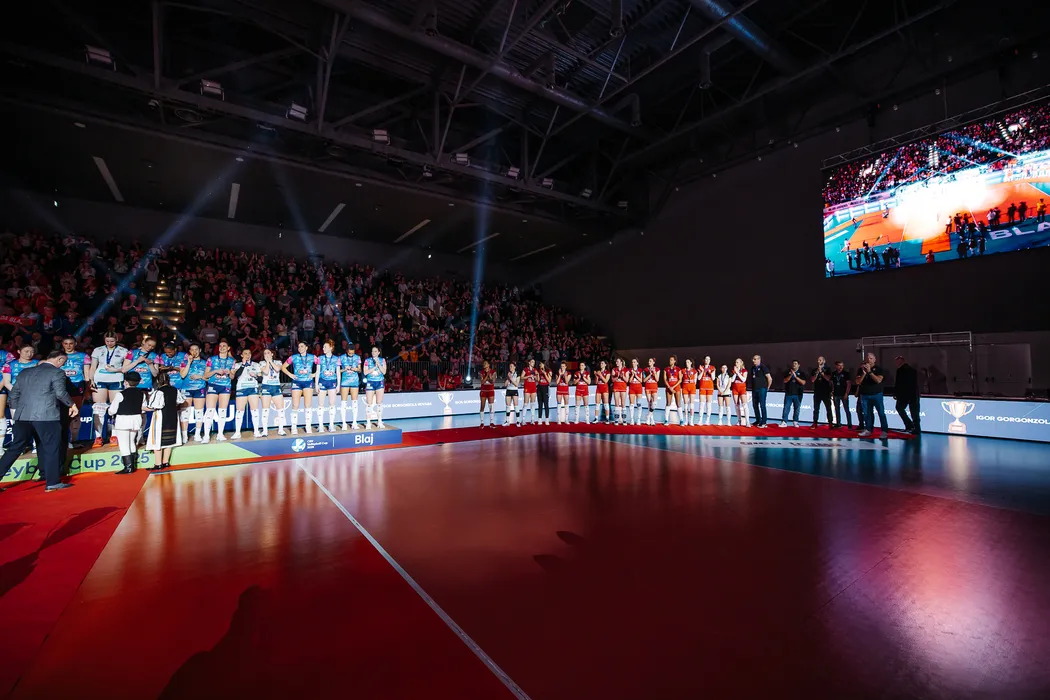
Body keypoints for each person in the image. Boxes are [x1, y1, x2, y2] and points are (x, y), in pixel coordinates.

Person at [0, 350, 78, 491]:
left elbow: (14, 395)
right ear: (59, 360)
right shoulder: (57, 373)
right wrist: (72, 404)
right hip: (46, 416)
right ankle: (52, 482)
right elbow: (60, 393)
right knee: (51, 447)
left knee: (15, 448)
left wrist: (17, 413)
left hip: (22, 416)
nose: (63, 365)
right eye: (64, 362)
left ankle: (44, 475)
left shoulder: (25, 372)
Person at [89, 331, 128, 448]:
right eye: (107, 341)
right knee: (99, 408)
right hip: (100, 379)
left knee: (115, 408)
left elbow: (126, 367)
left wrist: (115, 370)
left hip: (116, 380)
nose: (110, 343)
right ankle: (98, 437)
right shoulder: (98, 350)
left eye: (112, 341)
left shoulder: (123, 351)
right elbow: (93, 367)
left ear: (117, 340)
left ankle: (114, 435)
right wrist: (91, 380)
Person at [145, 367, 185, 471]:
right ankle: (165, 462)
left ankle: (158, 464)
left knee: (157, 440)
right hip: (172, 417)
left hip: (161, 417)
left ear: (158, 381)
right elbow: (180, 401)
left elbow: (153, 405)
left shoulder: (158, 392)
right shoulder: (175, 390)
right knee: (169, 440)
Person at [107, 372, 147, 474]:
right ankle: (133, 465)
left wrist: (108, 411)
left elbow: (112, 411)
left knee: (124, 444)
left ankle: (128, 467)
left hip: (123, 420)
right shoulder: (142, 394)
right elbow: (143, 408)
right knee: (131, 441)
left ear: (125, 382)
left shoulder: (120, 394)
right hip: (136, 419)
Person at [59, 337, 91, 447]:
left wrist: (87, 388)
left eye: (71, 343)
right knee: (62, 414)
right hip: (61, 385)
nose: (68, 346)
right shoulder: (57, 355)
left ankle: (74, 440)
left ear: (75, 344)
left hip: (77, 384)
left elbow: (87, 374)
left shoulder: (83, 356)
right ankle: (63, 440)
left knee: (75, 412)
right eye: (66, 343)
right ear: (62, 344)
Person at [203, 340, 236, 442]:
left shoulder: (232, 361)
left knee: (222, 410)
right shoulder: (211, 359)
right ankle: (206, 436)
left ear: (228, 348)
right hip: (213, 385)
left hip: (225, 386)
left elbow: (232, 377)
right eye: (220, 346)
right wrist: (215, 371)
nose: (222, 347)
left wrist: (230, 372)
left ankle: (220, 434)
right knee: (210, 410)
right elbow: (206, 375)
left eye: (224, 346)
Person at [282, 342, 317, 435]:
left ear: (306, 347)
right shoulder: (293, 357)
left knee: (308, 405)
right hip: (297, 382)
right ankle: (294, 427)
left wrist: (315, 374)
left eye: (302, 346)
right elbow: (283, 367)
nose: (300, 348)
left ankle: (308, 426)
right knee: (295, 405)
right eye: (299, 347)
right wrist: (290, 375)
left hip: (308, 382)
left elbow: (322, 366)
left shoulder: (312, 357)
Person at [231, 348, 263, 439]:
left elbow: (260, 379)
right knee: (239, 411)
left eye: (249, 353)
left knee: (254, 410)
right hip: (241, 388)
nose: (247, 355)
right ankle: (237, 432)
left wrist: (255, 376)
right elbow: (236, 376)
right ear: (242, 355)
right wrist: (243, 365)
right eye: (245, 353)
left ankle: (256, 431)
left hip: (253, 388)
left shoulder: (256, 365)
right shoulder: (237, 365)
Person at [180, 344, 209, 442]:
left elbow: (208, 377)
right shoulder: (184, 362)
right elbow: (182, 375)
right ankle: (184, 435)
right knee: (185, 413)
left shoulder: (205, 363)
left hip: (199, 388)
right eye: (192, 350)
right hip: (186, 388)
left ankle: (197, 434)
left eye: (196, 349)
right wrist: (189, 362)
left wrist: (200, 377)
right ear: (189, 351)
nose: (194, 351)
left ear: (200, 350)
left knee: (199, 412)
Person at [856, 352, 888, 437]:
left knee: (881, 413)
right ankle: (868, 429)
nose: (869, 360)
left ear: (874, 360)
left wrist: (870, 372)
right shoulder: (861, 370)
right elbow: (858, 382)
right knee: (867, 413)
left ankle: (884, 431)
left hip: (876, 394)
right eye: (867, 359)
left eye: (871, 358)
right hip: (865, 395)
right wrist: (864, 373)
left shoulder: (879, 369)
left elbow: (878, 380)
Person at [259, 348, 286, 435]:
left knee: (280, 409)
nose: (266, 354)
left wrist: (270, 361)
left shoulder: (278, 362)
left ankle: (281, 429)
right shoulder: (261, 363)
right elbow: (266, 372)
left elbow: (277, 369)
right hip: (266, 386)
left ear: (272, 354)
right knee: (265, 410)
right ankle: (265, 430)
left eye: (268, 353)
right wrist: (267, 362)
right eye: (265, 353)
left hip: (276, 387)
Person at [315, 341, 341, 432]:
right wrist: (316, 384)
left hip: (332, 382)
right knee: (320, 404)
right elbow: (317, 372)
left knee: (332, 404)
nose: (323, 349)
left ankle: (331, 425)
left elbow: (338, 372)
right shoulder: (320, 358)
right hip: (322, 381)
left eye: (325, 347)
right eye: (323, 347)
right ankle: (320, 425)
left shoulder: (336, 359)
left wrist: (338, 385)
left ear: (331, 347)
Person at [894, 355, 921, 434]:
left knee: (899, 408)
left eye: (897, 362)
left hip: (904, 394)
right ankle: (916, 429)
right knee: (914, 412)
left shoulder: (900, 371)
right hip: (914, 394)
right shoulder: (913, 370)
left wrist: (896, 393)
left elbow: (898, 383)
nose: (896, 363)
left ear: (901, 361)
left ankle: (909, 425)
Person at [362, 346, 387, 429]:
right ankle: (368, 422)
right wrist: (373, 368)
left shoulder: (382, 360)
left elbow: (384, 372)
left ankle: (379, 421)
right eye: (372, 351)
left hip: (379, 382)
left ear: (379, 352)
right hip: (370, 382)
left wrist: (378, 364)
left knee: (379, 402)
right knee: (369, 403)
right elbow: (365, 372)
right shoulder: (367, 360)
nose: (373, 353)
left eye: (375, 351)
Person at [337, 345, 361, 431]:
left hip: (354, 381)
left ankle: (354, 422)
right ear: (346, 351)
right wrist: (344, 369)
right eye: (350, 353)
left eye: (352, 353)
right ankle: (344, 423)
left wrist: (356, 369)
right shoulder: (341, 358)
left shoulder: (357, 357)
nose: (351, 354)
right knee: (344, 402)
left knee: (355, 402)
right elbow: (337, 371)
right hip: (345, 381)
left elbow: (360, 370)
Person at [747, 354, 772, 427]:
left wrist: (767, 387)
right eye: (753, 359)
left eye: (755, 359)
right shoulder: (753, 368)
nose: (753, 360)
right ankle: (758, 420)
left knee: (762, 405)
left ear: (759, 360)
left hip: (762, 389)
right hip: (754, 389)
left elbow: (769, 378)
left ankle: (764, 422)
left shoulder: (763, 367)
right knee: (755, 405)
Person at [779, 360, 806, 427]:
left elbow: (803, 382)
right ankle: (784, 421)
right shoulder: (788, 372)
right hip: (789, 393)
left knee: (797, 408)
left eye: (795, 363)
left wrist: (796, 377)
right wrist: (791, 375)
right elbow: (785, 381)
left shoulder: (802, 373)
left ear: (798, 365)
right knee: (786, 408)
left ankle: (795, 422)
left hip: (798, 394)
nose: (794, 365)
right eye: (793, 363)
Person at [810, 357, 834, 428]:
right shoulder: (814, 370)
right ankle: (815, 423)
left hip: (826, 392)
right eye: (818, 360)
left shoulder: (828, 369)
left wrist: (822, 372)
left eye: (820, 360)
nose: (818, 361)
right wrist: (817, 373)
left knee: (828, 408)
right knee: (816, 409)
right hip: (817, 392)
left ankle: (830, 423)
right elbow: (812, 380)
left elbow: (828, 379)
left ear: (824, 361)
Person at [830, 360, 852, 429]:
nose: (841, 367)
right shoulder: (834, 373)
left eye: (842, 365)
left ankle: (849, 424)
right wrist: (832, 391)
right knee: (837, 409)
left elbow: (849, 384)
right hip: (836, 394)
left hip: (843, 394)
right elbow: (832, 383)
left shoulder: (846, 373)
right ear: (836, 366)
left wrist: (846, 393)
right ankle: (838, 423)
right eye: (839, 365)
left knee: (846, 409)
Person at [663, 356, 683, 426]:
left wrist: (673, 387)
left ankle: (681, 420)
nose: (670, 361)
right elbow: (665, 379)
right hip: (669, 388)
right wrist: (669, 387)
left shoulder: (678, 369)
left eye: (671, 360)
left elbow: (680, 379)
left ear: (674, 361)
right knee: (668, 403)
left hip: (676, 388)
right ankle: (666, 420)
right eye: (670, 360)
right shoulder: (666, 369)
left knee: (678, 403)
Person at [698, 356, 717, 426]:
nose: (707, 360)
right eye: (706, 359)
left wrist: (710, 372)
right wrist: (702, 371)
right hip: (702, 387)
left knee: (708, 404)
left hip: (709, 387)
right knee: (701, 404)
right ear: (704, 360)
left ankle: (707, 420)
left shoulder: (712, 367)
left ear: (710, 360)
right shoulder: (701, 367)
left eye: (709, 359)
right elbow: (699, 378)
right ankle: (700, 420)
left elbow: (713, 378)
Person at [478, 360, 497, 427]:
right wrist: (487, 375)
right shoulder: (481, 372)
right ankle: (482, 422)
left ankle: (491, 422)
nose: (484, 364)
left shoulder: (493, 372)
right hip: (483, 390)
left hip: (490, 390)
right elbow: (482, 382)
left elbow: (493, 382)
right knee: (482, 406)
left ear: (489, 365)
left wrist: (489, 377)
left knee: (491, 406)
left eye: (485, 363)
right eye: (483, 363)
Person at [731, 359, 749, 426]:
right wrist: (735, 373)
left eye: (737, 362)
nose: (736, 363)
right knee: (736, 405)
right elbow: (732, 380)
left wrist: (738, 373)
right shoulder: (733, 371)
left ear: (741, 363)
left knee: (744, 405)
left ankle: (747, 421)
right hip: (735, 389)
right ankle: (739, 420)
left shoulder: (744, 371)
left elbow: (744, 379)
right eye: (735, 362)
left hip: (742, 388)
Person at [643, 358, 660, 426]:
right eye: (649, 361)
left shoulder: (657, 369)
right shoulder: (645, 369)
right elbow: (644, 380)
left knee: (654, 403)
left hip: (654, 386)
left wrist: (654, 373)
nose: (649, 362)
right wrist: (649, 375)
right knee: (650, 403)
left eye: (650, 361)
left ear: (653, 362)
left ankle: (648, 416)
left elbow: (657, 379)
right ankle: (651, 419)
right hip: (647, 387)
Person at [681, 359, 698, 426]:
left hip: (692, 387)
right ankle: (686, 420)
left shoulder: (694, 371)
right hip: (685, 387)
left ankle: (691, 420)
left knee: (691, 404)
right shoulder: (683, 370)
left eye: (688, 362)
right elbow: (680, 379)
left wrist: (691, 382)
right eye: (686, 362)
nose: (687, 363)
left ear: (691, 363)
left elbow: (695, 381)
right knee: (685, 404)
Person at [522, 358, 539, 426]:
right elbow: (521, 377)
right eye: (532, 362)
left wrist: (536, 376)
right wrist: (528, 376)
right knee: (525, 404)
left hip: (533, 388)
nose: (533, 363)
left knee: (533, 404)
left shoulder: (535, 370)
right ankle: (523, 420)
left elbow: (538, 379)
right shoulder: (525, 369)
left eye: (534, 362)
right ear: (529, 363)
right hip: (527, 388)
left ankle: (532, 419)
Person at [627, 358, 644, 425]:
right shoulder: (629, 370)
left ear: (637, 363)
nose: (633, 363)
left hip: (638, 388)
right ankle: (632, 419)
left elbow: (641, 380)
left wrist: (636, 375)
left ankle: (638, 419)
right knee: (631, 404)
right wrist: (632, 375)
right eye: (632, 362)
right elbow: (629, 381)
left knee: (639, 404)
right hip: (632, 388)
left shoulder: (640, 370)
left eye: (634, 362)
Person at [504, 361, 520, 426]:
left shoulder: (517, 374)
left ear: (514, 367)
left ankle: (518, 421)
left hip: (514, 390)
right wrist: (508, 378)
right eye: (509, 366)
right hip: (508, 390)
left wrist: (511, 378)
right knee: (508, 406)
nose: (510, 367)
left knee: (516, 406)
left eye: (511, 366)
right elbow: (505, 384)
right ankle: (507, 421)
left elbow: (516, 384)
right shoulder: (508, 374)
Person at [536, 361, 552, 425]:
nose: (540, 365)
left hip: (545, 388)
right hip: (539, 387)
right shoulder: (538, 370)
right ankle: (539, 419)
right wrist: (537, 374)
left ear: (544, 364)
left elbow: (549, 381)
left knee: (546, 404)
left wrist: (545, 374)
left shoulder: (549, 371)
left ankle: (547, 419)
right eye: (540, 364)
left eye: (541, 364)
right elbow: (538, 380)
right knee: (540, 404)